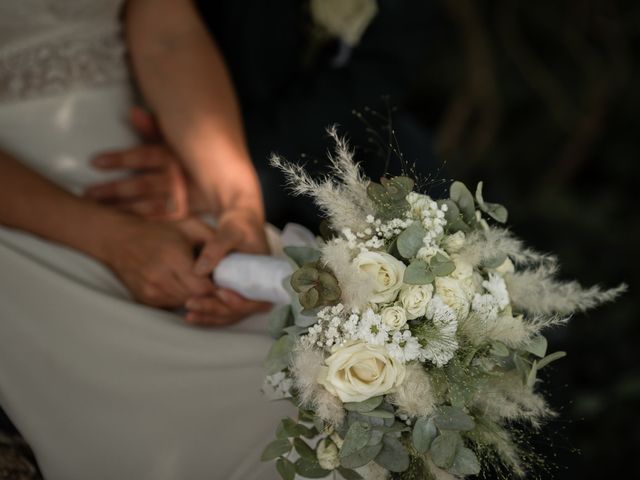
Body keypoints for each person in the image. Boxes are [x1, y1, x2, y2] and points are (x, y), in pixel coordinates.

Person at [0, 0, 292, 478]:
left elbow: (168, 33)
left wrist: (236, 206)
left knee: (328, 359)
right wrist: (115, 241)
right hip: (22, 224)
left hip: (159, 192)